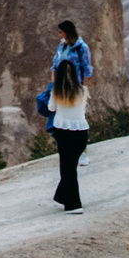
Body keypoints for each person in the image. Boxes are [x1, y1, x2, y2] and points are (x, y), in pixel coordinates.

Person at [49, 55, 90, 211]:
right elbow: (83, 110)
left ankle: (74, 205)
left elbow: (51, 108)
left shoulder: (56, 91)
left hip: (64, 131)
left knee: (67, 169)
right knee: (70, 167)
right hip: (81, 132)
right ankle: (61, 196)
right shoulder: (82, 91)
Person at [54, 19, 94, 90]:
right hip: (60, 88)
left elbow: (87, 69)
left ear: (67, 32)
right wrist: (53, 84)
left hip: (76, 88)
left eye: (61, 33)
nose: (59, 36)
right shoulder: (61, 47)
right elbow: (55, 66)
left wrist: (84, 89)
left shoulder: (82, 47)